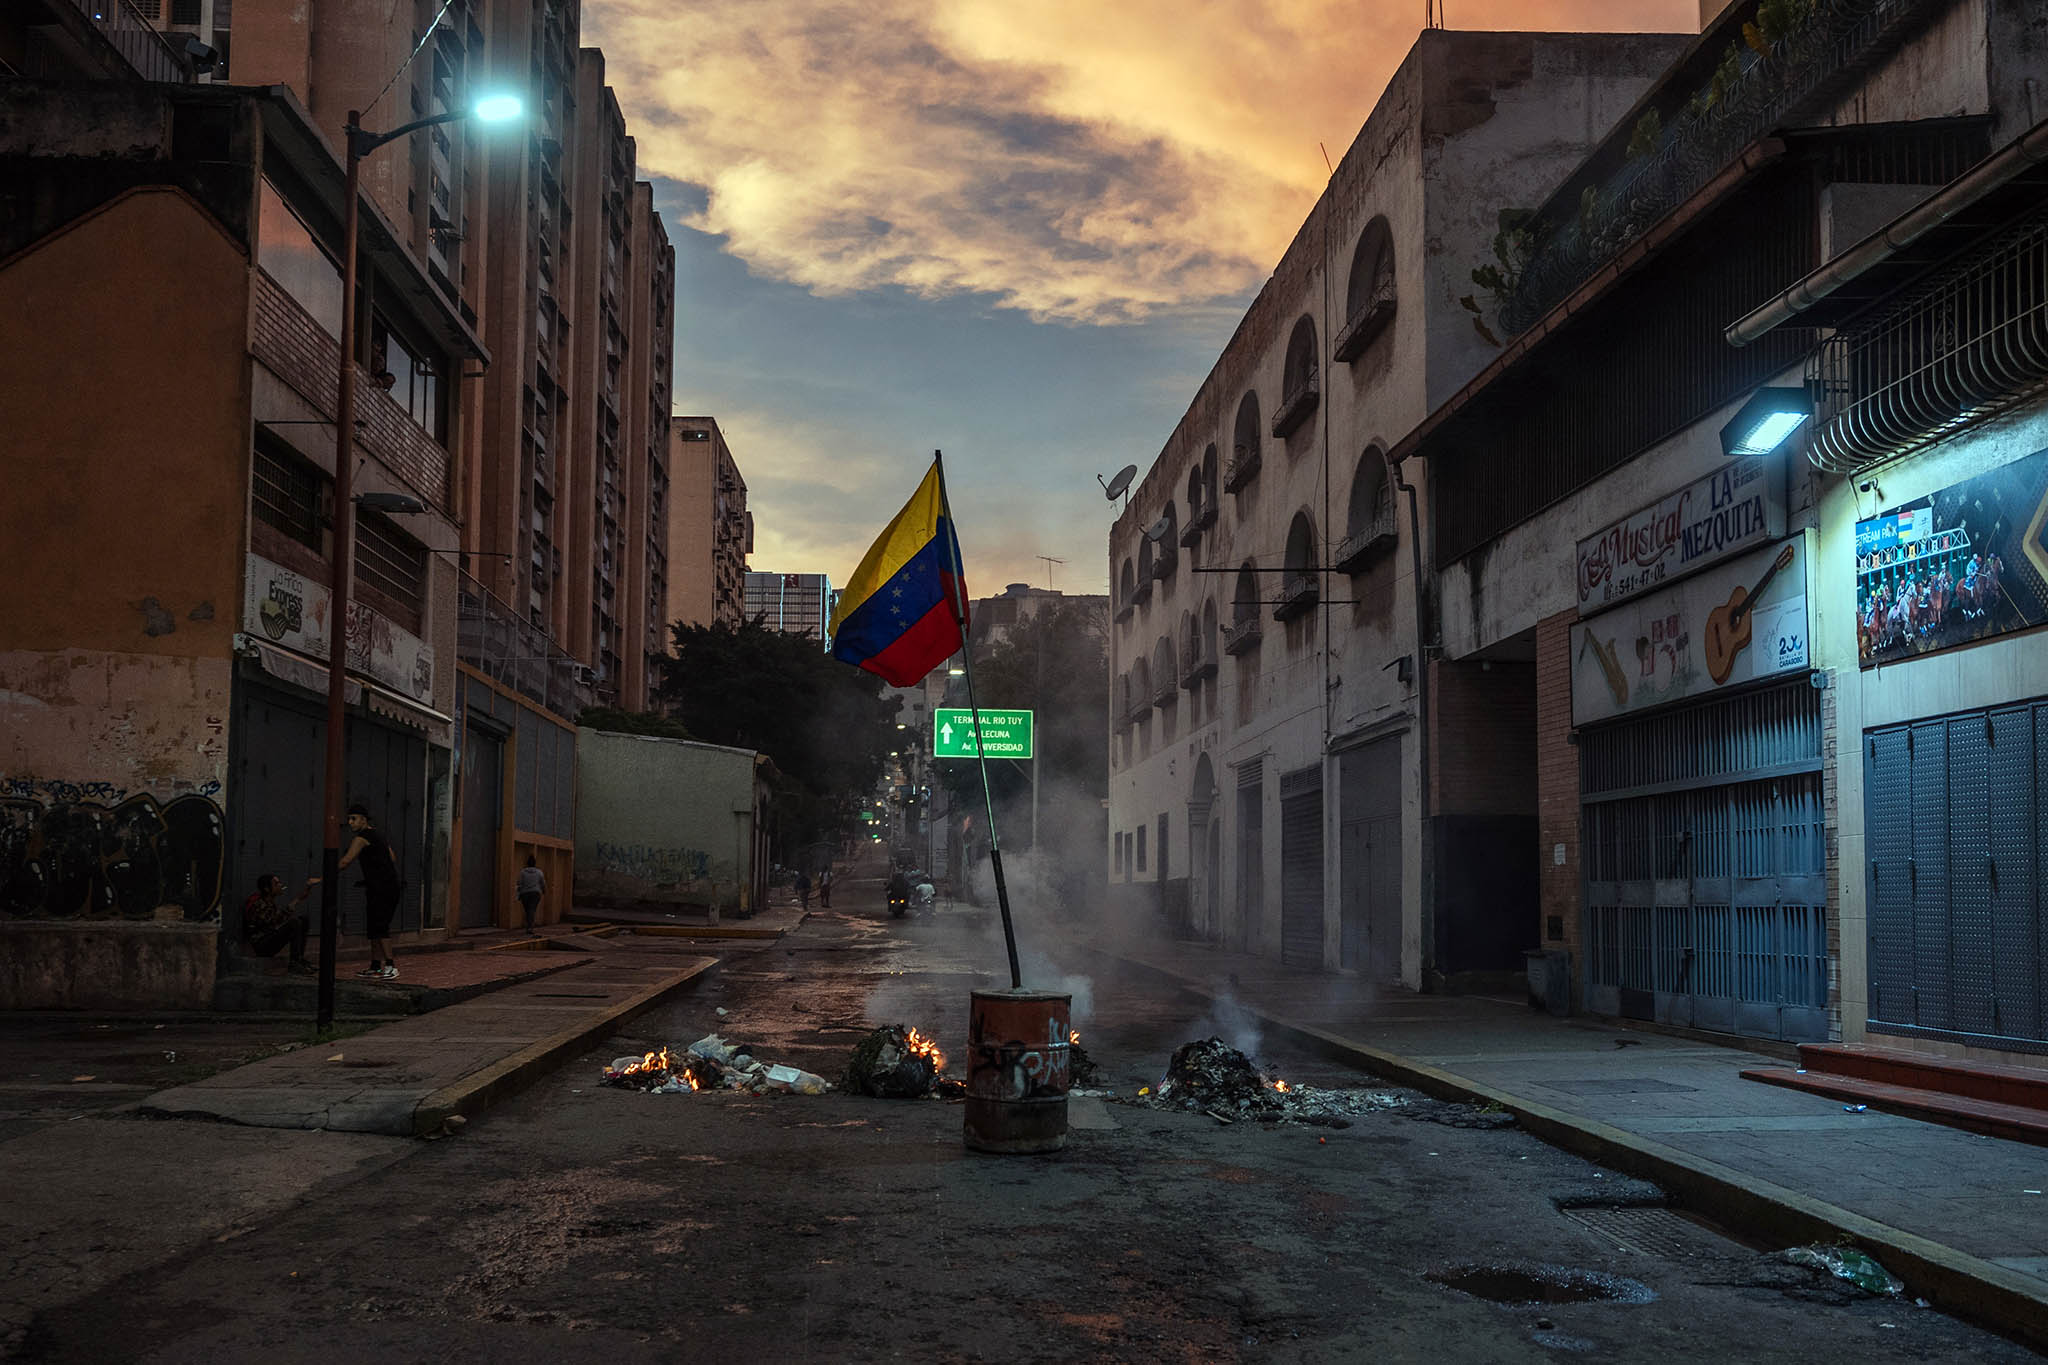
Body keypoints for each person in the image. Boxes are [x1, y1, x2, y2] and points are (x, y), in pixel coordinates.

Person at [338, 803, 404, 979]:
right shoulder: (379, 836)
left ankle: (390, 966)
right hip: (385, 887)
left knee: (380, 926)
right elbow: (392, 857)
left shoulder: (361, 838)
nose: (350, 823)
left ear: (363, 820)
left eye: (353, 819)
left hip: (382, 888)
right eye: (349, 819)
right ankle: (375, 966)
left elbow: (345, 862)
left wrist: (322, 877)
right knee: (375, 927)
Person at [241, 872, 317, 975]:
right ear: (267, 889)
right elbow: (274, 921)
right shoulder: (259, 904)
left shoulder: (269, 902)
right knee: (294, 923)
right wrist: (297, 899)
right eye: (276, 884)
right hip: (262, 946)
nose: (280, 885)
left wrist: (298, 899)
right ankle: (294, 964)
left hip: (269, 939)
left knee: (303, 920)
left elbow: (278, 920)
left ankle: (299, 959)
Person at [515, 854, 546, 932]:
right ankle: (530, 927)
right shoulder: (539, 872)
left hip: (524, 894)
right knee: (532, 909)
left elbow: (519, 883)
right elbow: (543, 883)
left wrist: (518, 893)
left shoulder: (522, 872)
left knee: (527, 910)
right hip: (535, 893)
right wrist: (543, 890)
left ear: (527, 863)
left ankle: (529, 925)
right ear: (535, 863)